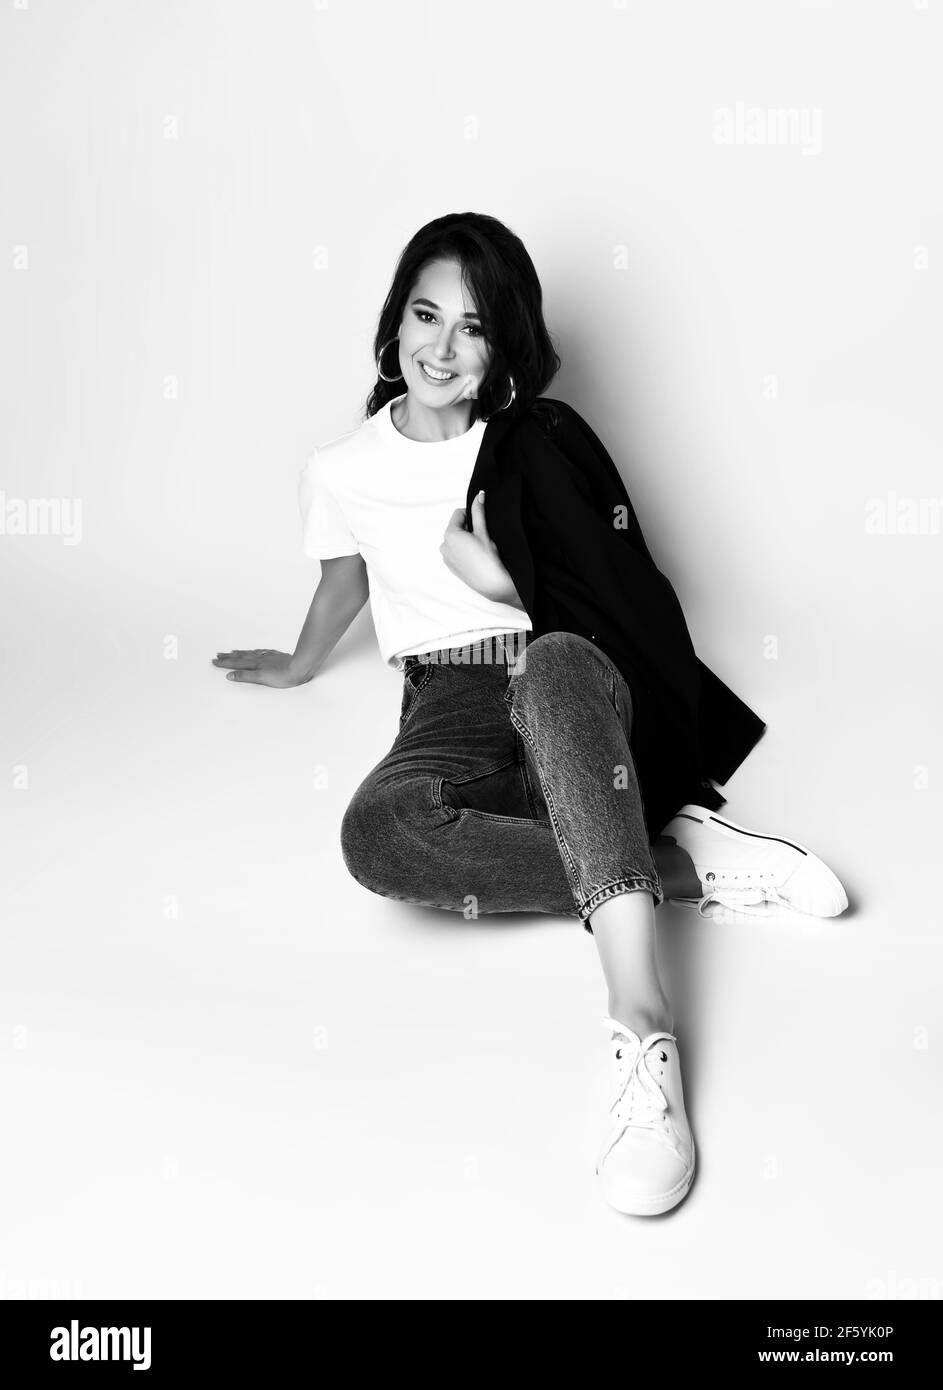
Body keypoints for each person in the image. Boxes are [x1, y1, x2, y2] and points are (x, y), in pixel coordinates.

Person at [213, 212, 848, 1216]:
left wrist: (497, 580)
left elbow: (605, 594)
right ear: (393, 324)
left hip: (564, 677)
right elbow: (346, 580)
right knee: (378, 831)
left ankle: (641, 1029)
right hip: (449, 697)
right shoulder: (340, 471)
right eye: (426, 315)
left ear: (501, 349)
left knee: (552, 660)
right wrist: (298, 664)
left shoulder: (523, 446)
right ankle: (673, 861)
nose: (441, 346)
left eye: (472, 327)